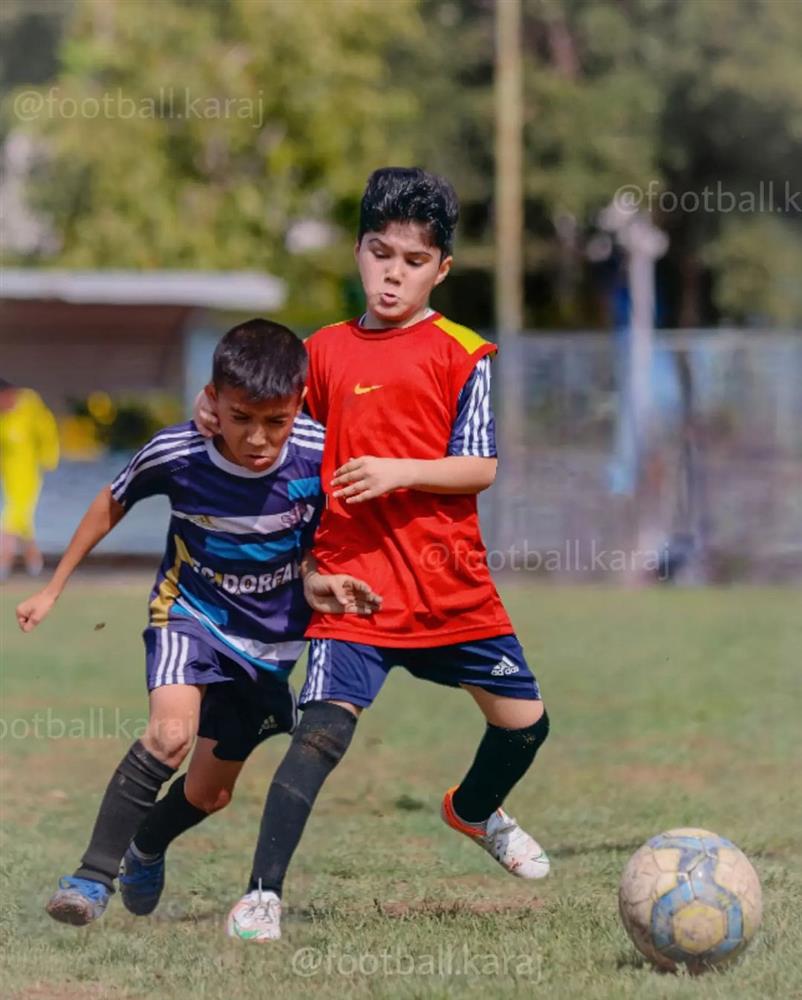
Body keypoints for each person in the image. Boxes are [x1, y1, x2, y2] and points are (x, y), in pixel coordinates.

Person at [197, 168, 550, 943]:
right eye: (380, 253)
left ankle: (475, 809)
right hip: (354, 587)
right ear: (358, 251)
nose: (394, 273)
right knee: (320, 736)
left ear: (442, 270)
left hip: (451, 586)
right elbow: (271, 441)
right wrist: (304, 564)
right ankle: (261, 897)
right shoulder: (320, 354)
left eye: (414, 260)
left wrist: (401, 471)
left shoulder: (464, 352)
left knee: (526, 725)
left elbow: (481, 466)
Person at [16, 319, 381, 927]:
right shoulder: (178, 453)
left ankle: (146, 845)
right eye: (241, 418)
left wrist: (331, 579)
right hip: (190, 615)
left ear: (297, 406)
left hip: (272, 640)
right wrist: (53, 587)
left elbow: (338, 532)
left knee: (211, 793)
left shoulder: (323, 452)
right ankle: (90, 877)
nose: (258, 438)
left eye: (275, 421)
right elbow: (112, 500)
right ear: (212, 401)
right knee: (169, 736)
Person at [0, 379, 60, 580]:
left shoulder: (30, 406)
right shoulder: (3, 418)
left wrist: (50, 458)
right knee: (23, 523)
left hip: (29, 476)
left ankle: (3, 566)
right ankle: (36, 564)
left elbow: (46, 430)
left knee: (9, 522)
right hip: (10, 478)